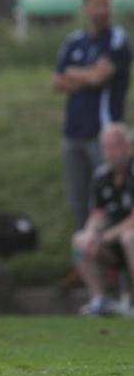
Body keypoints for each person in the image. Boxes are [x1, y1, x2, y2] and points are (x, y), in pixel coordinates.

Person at [53, 0, 132, 231]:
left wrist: (75, 74)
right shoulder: (74, 42)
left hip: (104, 134)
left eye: (106, 4)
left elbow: (101, 77)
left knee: (110, 203)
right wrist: (88, 74)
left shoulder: (118, 40)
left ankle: (117, 264)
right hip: (74, 132)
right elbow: (57, 82)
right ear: (87, 7)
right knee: (79, 203)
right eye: (97, 4)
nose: (103, 10)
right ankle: (85, 259)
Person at [72, 123, 134, 316]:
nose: (109, 154)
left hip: (126, 239)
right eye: (105, 147)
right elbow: (97, 214)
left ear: (127, 145)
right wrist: (91, 233)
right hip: (112, 244)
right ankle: (99, 300)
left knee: (130, 237)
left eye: (114, 146)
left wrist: (104, 237)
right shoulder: (101, 176)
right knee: (80, 241)